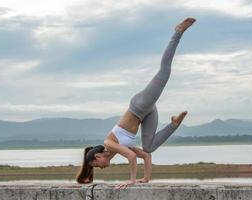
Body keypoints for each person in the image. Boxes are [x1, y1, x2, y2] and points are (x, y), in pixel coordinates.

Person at [76, 17, 196, 188]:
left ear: (97, 157)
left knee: (164, 71)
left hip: (139, 106)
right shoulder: (114, 150)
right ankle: (173, 124)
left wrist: (131, 181)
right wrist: (145, 179)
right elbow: (146, 157)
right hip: (147, 114)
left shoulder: (109, 143)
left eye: (97, 166)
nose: (101, 168)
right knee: (149, 148)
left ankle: (177, 32)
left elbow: (131, 157)